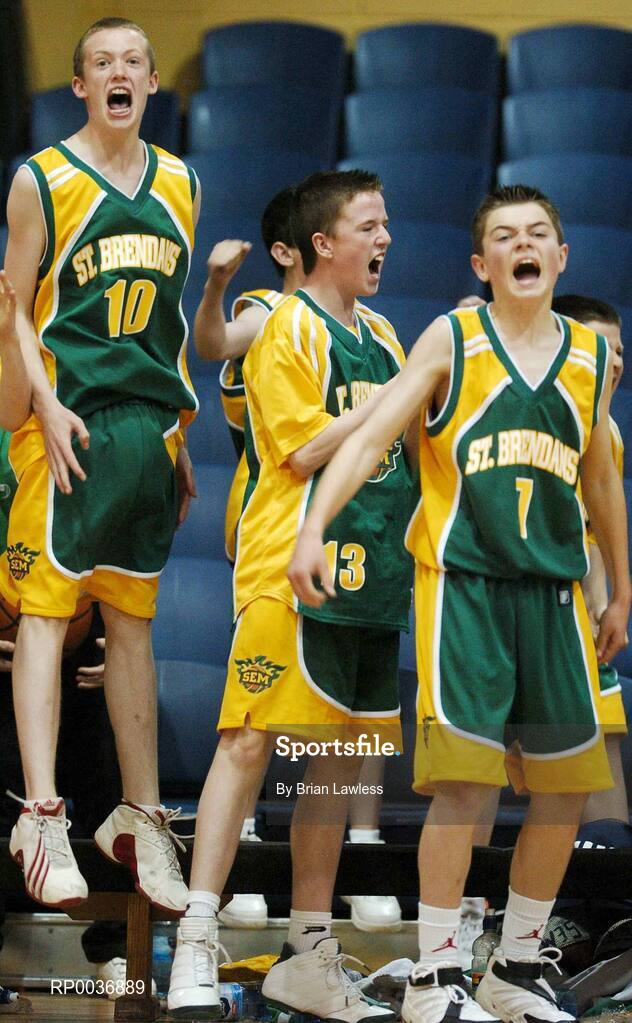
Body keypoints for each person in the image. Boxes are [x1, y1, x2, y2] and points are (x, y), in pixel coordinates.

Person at [288, 184, 630, 1023]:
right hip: (466, 588)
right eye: (506, 235)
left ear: (560, 256)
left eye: (539, 233)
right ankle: (436, 974)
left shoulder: (588, 356)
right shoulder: (454, 337)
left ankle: (513, 965)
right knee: (466, 787)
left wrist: (621, 582)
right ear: (483, 264)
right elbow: (369, 435)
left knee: (564, 790)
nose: (525, 244)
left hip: (553, 597)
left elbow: (600, 474)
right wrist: (311, 530)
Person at [168, 169, 416, 1020]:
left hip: (375, 570)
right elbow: (305, 449)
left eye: (386, 224)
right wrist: (395, 398)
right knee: (249, 741)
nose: (386, 238)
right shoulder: (287, 327)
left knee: (336, 760)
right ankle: (196, 942)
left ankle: (310, 946)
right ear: (323, 243)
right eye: (371, 225)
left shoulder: (384, 332)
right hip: (287, 565)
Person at [1, 17, 199, 913]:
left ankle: (141, 814)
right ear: (79, 87)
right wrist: (41, 401)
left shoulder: (183, 182)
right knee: (44, 616)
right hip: (67, 423)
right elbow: (12, 308)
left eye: (131, 62)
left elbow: (172, 323)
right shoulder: (40, 179)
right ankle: (41, 813)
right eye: (99, 63)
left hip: (146, 431)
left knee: (133, 624)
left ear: (152, 83)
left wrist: (182, 433)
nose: (117, 73)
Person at [551, 294, 630, 839]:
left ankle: (603, 911)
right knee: (474, 771)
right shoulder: (518, 410)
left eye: (621, 350)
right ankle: (469, 915)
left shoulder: (610, 434)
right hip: (502, 608)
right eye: (603, 348)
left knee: (604, 735)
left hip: (576, 608)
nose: (616, 361)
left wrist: (605, 605)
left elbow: (593, 532)